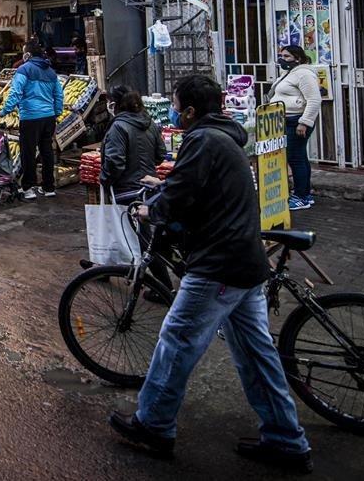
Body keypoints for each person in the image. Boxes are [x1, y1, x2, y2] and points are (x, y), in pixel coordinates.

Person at [109, 74, 311, 472]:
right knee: (256, 353)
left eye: (175, 104)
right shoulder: (224, 137)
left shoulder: (202, 139)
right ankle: (287, 438)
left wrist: (155, 209)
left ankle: (153, 424)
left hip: (219, 262)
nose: (172, 110)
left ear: (189, 110)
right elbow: (194, 187)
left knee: (177, 341)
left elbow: (182, 194)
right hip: (244, 260)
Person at [0, 40, 64, 200]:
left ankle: (28, 187)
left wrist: (5, 110)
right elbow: (59, 94)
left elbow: (15, 92)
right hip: (48, 117)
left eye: (23, 52)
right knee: (46, 151)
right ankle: (49, 187)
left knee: (28, 152)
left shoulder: (24, 69)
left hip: (30, 117)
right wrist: (57, 112)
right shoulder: (50, 71)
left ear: (27, 54)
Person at [268, 45, 323, 210]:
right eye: (281, 56)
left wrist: (304, 122)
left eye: (286, 57)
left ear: (297, 58)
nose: (282, 59)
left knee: (295, 158)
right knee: (299, 157)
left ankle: (300, 197)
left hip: (296, 121)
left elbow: (314, 100)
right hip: (287, 119)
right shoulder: (290, 73)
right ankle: (305, 194)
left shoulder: (305, 74)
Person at [99, 87, 165, 204]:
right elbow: (160, 154)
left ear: (114, 104)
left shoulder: (118, 127)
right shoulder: (150, 123)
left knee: (125, 221)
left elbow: (114, 162)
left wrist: (104, 180)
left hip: (127, 190)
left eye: (108, 102)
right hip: (149, 187)